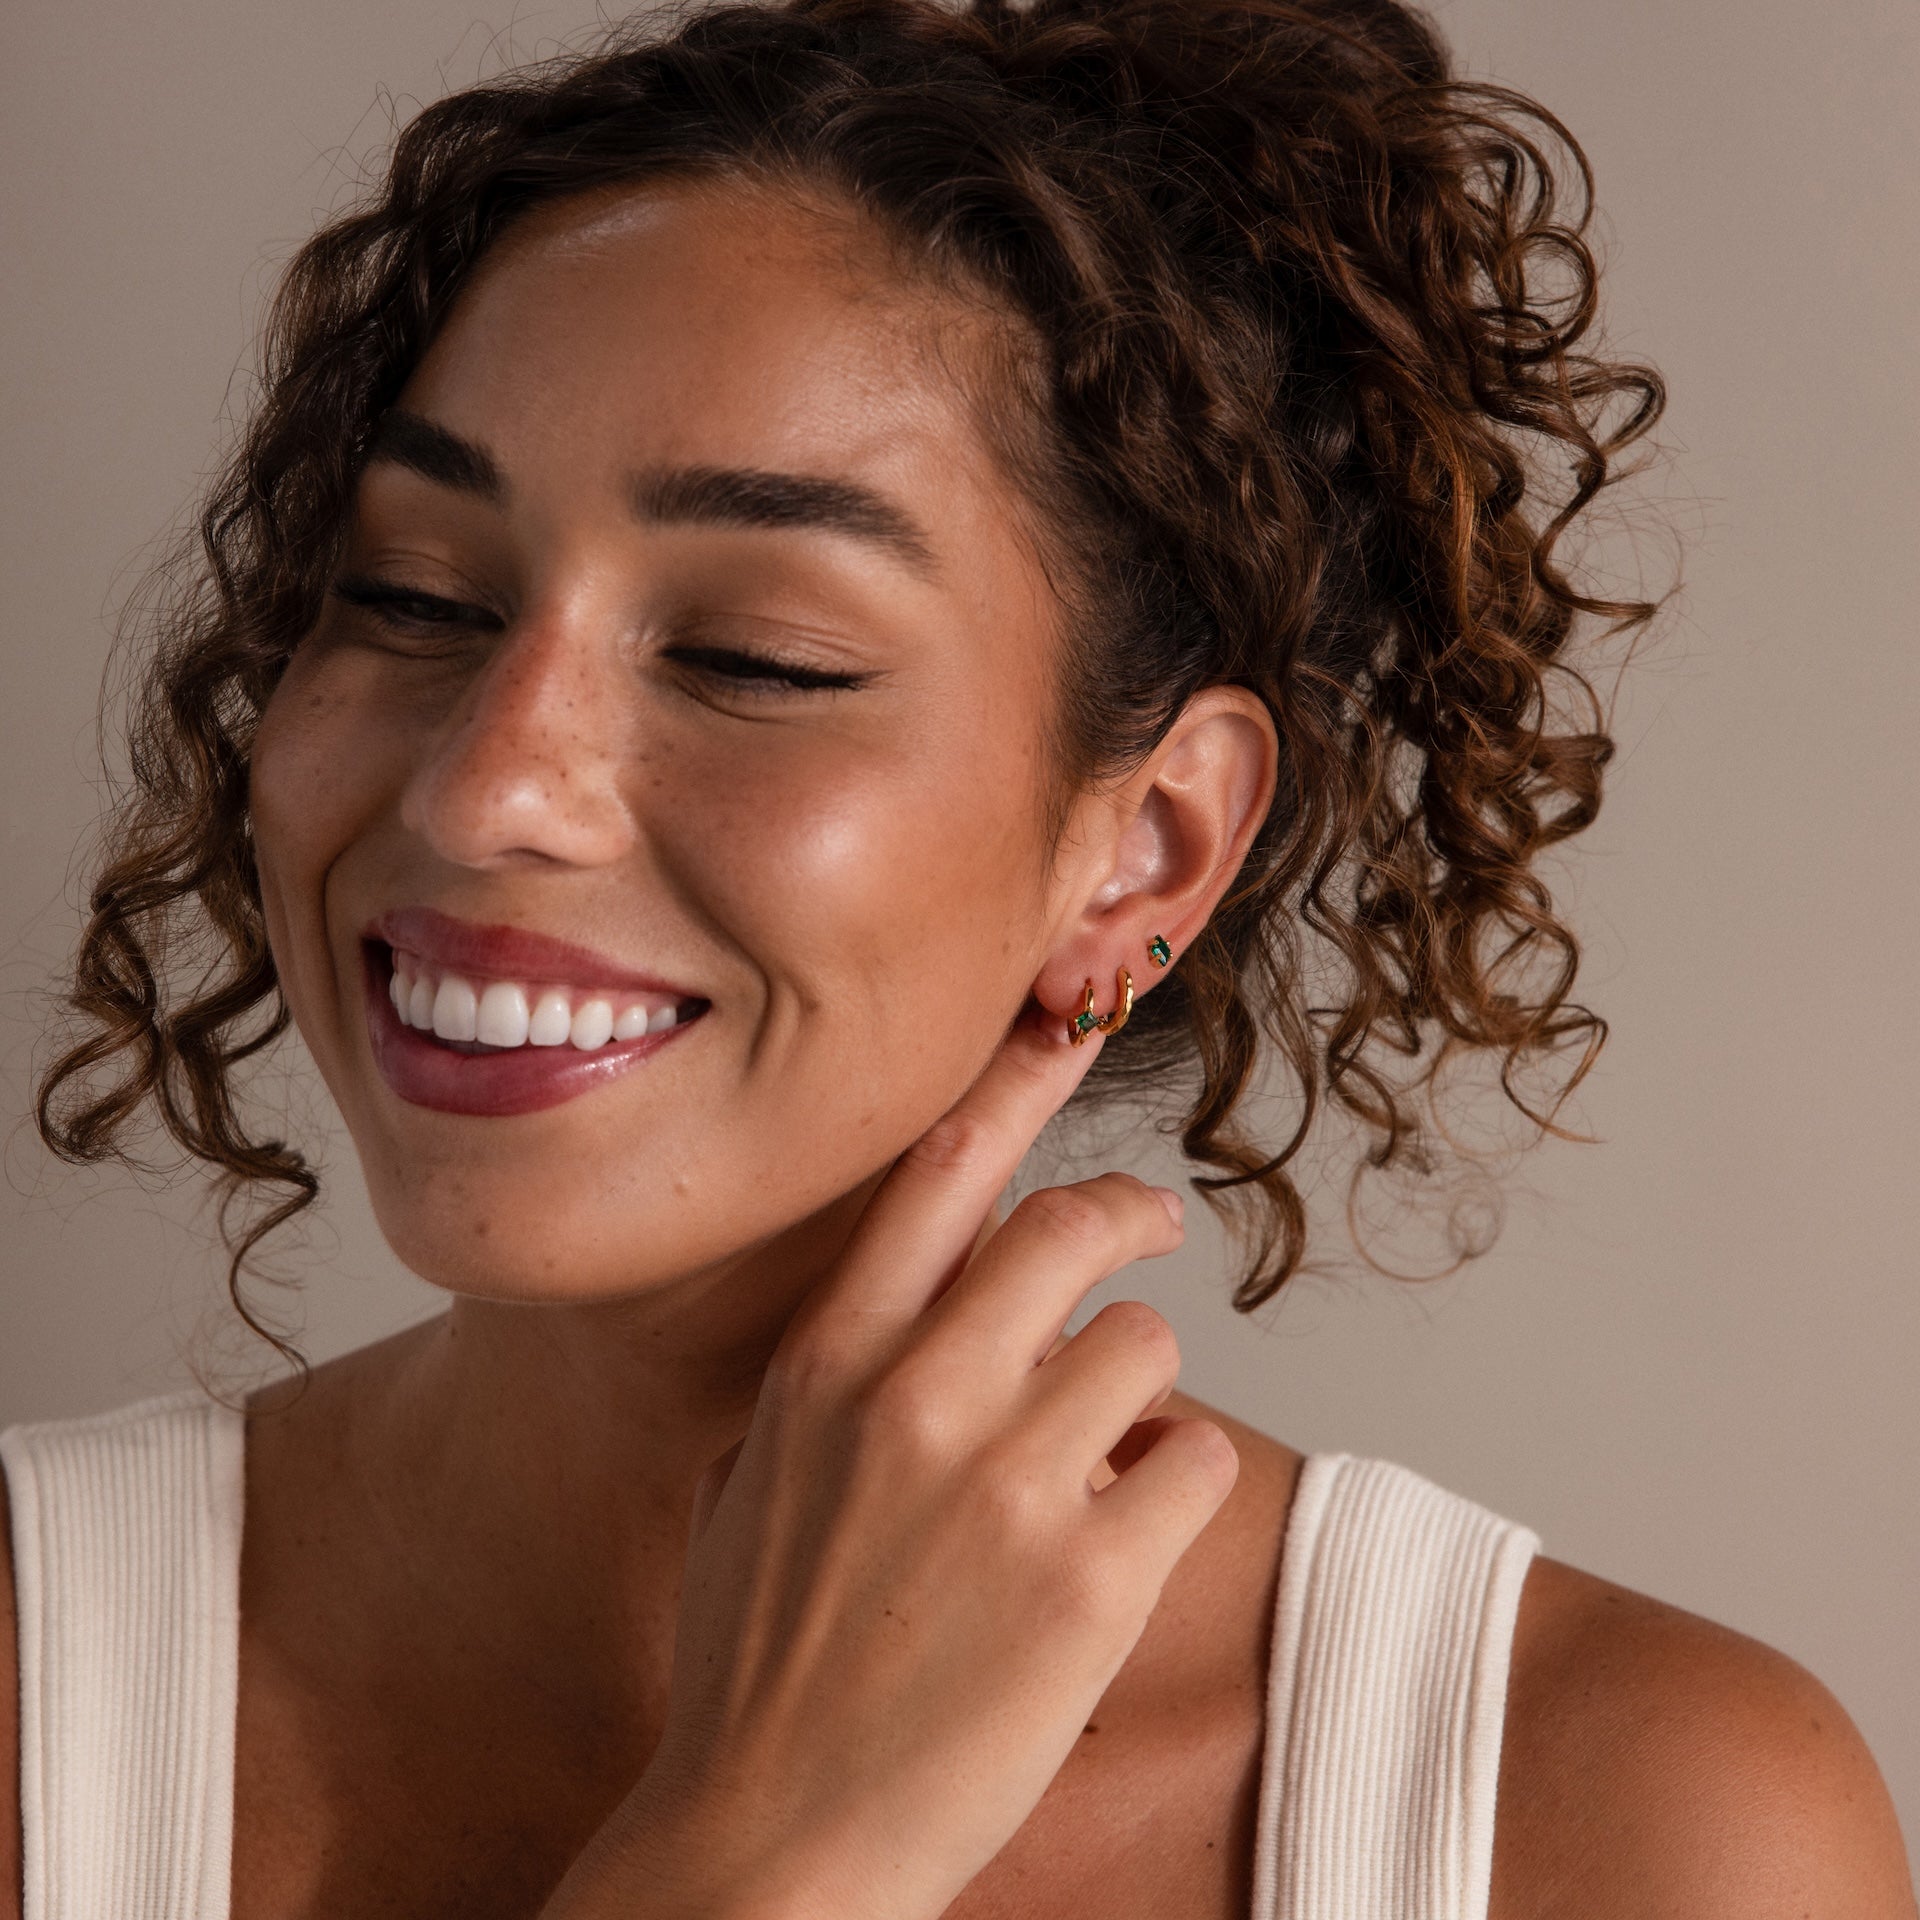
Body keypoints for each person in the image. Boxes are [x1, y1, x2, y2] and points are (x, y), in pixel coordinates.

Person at [2, 0, 1913, 1913]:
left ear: (1145, 848)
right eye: (413, 595)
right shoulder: (27, 1680)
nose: (490, 783)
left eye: (759, 657)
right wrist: (760, 1856)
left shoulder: (1629, 1823)